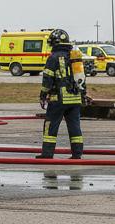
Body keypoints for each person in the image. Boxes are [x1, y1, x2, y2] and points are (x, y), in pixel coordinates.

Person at [37, 28, 86, 159]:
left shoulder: (53, 58)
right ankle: (77, 154)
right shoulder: (74, 56)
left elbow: (47, 78)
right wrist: (83, 95)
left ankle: (47, 154)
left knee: (50, 125)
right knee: (75, 127)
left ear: (55, 43)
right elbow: (81, 77)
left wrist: (43, 95)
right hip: (75, 99)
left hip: (59, 99)